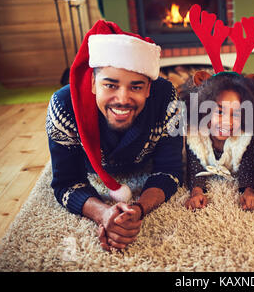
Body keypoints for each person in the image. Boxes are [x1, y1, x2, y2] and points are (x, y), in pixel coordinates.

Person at [46, 20, 183, 251]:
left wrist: (137, 210)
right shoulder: (63, 106)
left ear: (149, 88)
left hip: (142, 163)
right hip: (94, 169)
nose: (122, 99)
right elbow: (66, 182)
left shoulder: (167, 97)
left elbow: (169, 171)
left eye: (136, 87)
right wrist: (103, 213)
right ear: (92, 83)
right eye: (110, 85)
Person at [181, 71, 254, 211]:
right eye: (220, 112)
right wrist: (196, 193)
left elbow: (248, 170)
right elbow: (194, 169)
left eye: (236, 113)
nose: (227, 122)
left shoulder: (245, 136)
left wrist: (249, 192)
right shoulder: (195, 135)